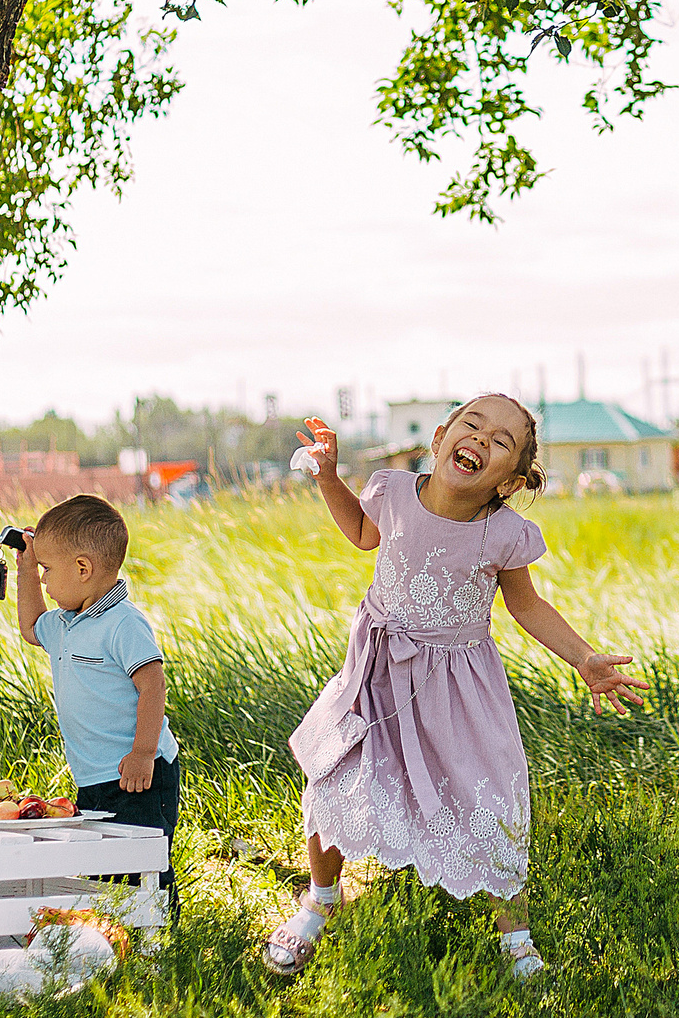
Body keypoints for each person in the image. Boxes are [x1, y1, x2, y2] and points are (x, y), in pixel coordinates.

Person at [261, 397, 648, 981]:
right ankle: (320, 897)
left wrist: (585, 659)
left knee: (487, 794)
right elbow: (364, 533)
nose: (481, 439)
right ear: (441, 437)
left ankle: (515, 939)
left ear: (511, 480)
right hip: (377, 672)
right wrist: (330, 478)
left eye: (501, 441)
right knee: (334, 772)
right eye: (472, 424)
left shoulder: (504, 533)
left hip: (457, 688)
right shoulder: (392, 490)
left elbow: (527, 605)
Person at [14, 494, 183, 915]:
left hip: (139, 773)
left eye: (48, 571)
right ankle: (113, 937)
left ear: (84, 569)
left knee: (144, 865)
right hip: (94, 775)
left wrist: (143, 752)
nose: (46, 581)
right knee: (104, 868)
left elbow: (153, 686)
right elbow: (31, 627)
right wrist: (26, 570)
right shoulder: (65, 622)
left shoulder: (123, 623)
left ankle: (158, 939)